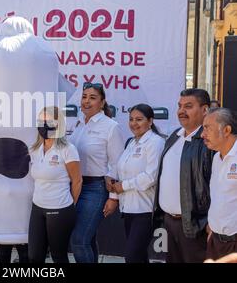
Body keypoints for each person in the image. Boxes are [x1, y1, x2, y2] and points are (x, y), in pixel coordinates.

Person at [153, 88, 213, 263]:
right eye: (180, 106)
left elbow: (218, 184)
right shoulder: (174, 136)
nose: (181, 111)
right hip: (169, 223)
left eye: (188, 106)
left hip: (196, 226)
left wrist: (209, 222)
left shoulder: (209, 141)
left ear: (205, 110)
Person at [69, 82, 124, 263]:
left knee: (79, 240)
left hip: (96, 188)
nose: (86, 101)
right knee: (88, 239)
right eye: (84, 97)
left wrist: (113, 198)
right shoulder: (78, 123)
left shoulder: (110, 127)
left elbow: (117, 164)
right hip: (75, 187)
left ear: (102, 102)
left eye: (92, 98)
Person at [109, 104, 165, 263]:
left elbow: (150, 177)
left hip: (145, 210)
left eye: (139, 119)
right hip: (128, 208)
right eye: (131, 119)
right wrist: (113, 188)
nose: (134, 123)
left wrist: (123, 186)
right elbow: (120, 170)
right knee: (139, 257)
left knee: (132, 256)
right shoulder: (131, 143)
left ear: (150, 121)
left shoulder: (155, 142)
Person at [28, 106, 82, 263]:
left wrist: (70, 205)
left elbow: (77, 181)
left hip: (60, 209)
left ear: (58, 124)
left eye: (48, 121)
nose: (44, 125)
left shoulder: (67, 149)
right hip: (37, 208)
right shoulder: (35, 148)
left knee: (58, 256)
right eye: (41, 121)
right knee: (34, 257)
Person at [201, 108, 237, 260]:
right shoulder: (216, 158)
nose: (202, 134)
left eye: (207, 128)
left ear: (227, 130)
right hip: (216, 241)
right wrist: (212, 225)